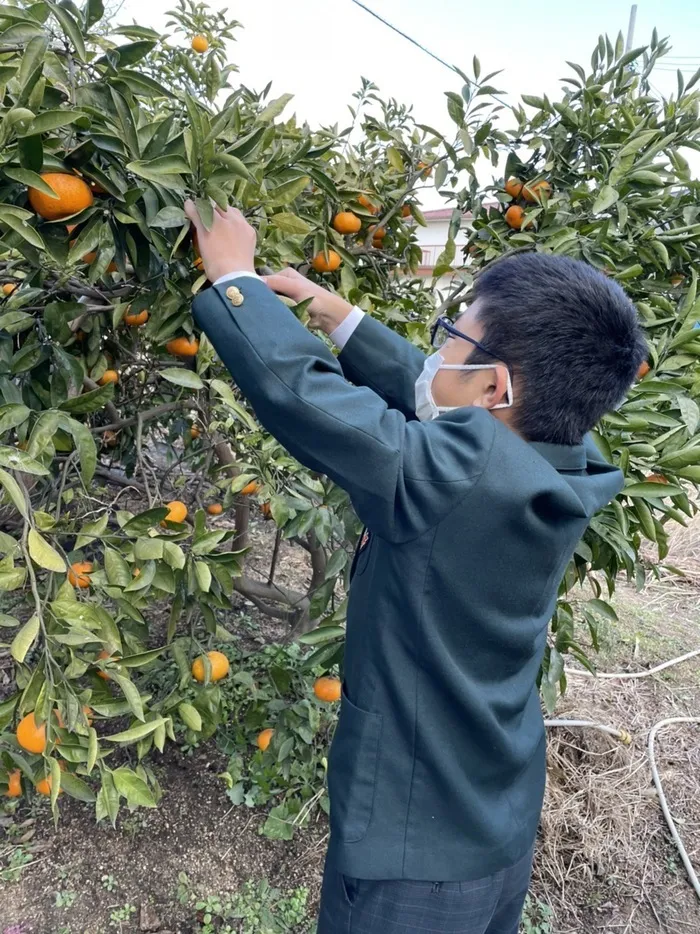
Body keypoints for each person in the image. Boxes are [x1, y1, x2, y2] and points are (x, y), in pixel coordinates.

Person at [185, 201, 647, 934]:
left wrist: (233, 277)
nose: (435, 353)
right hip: (491, 824)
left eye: (450, 338)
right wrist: (337, 313)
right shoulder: (564, 462)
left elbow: (309, 399)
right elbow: (443, 399)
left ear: (496, 387)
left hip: (412, 867)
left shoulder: (454, 478)